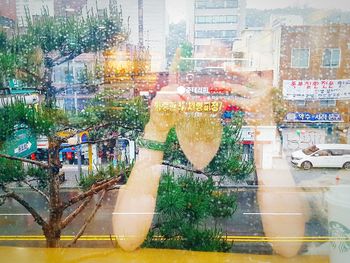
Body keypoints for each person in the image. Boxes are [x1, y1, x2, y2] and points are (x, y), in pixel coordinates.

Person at [112, 73, 306, 258]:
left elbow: (288, 244)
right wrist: (155, 130)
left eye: (217, 72)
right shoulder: (159, 137)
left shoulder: (244, 136)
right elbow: (127, 237)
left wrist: (264, 123)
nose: (203, 93)